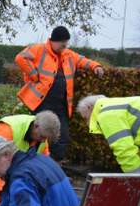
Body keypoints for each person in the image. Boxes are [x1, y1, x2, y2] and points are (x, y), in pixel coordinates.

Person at [15, 26, 104, 161]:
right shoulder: (38, 49)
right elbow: (20, 58)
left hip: (61, 105)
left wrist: (96, 66)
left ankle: (55, 165)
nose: (64, 47)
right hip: (41, 103)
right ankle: (32, 162)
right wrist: (33, 74)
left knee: (62, 137)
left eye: (66, 44)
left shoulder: (68, 54)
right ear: (53, 41)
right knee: (38, 134)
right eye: (62, 44)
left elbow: (82, 60)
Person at [77, 95, 140, 206]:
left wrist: (138, 186)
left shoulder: (107, 114)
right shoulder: (119, 106)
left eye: (85, 118)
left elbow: (125, 153)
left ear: (89, 109)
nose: (86, 123)